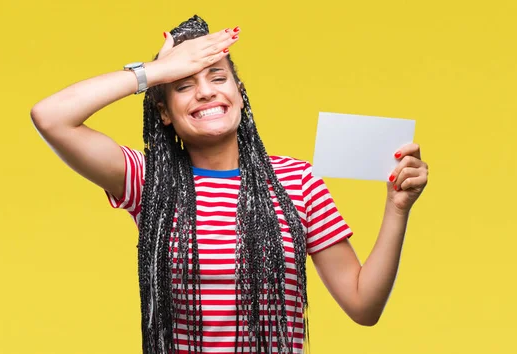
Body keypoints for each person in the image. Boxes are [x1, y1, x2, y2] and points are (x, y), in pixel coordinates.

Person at [30, 15, 428, 354]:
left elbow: (364, 306)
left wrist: (397, 208)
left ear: (239, 93)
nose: (205, 91)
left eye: (218, 77)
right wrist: (155, 73)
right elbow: (50, 117)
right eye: (184, 85)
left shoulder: (297, 181)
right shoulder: (148, 180)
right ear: (165, 113)